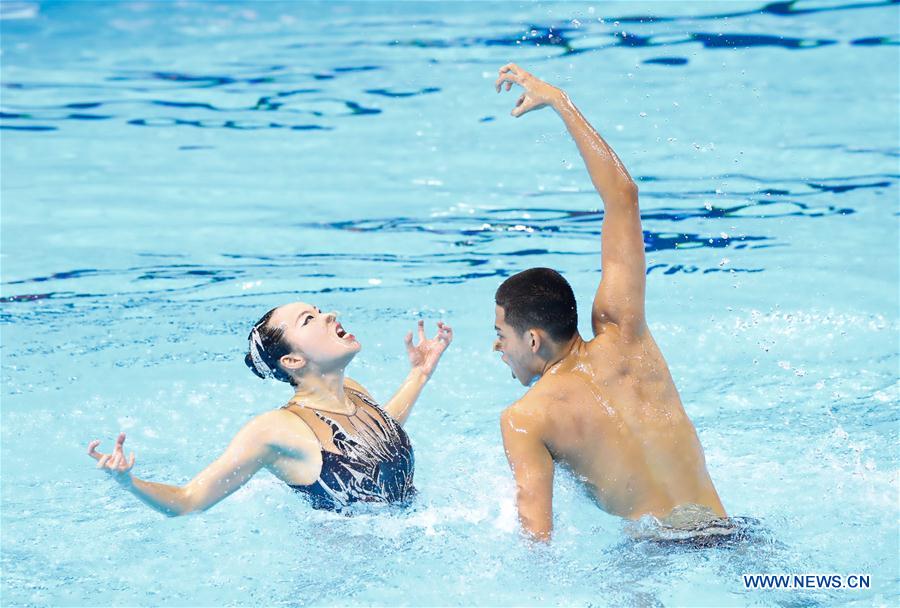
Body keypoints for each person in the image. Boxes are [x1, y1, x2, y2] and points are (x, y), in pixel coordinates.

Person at [492, 64, 728, 541]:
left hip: (655, 553)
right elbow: (623, 196)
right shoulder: (625, 335)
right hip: (729, 532)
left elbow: (536, 541)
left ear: (533, 339)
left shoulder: (525, 418)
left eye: (501, 335)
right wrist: (559, 100)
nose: (497, 348)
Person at [88, 303, 452, 515]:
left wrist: (419, 374)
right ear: (292, 360)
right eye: (309, 320)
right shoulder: (275, 430)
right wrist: (129, 483)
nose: (330, 315)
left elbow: (378, 432)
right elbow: (189, 501)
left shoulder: (353, 391)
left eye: (319, 311)